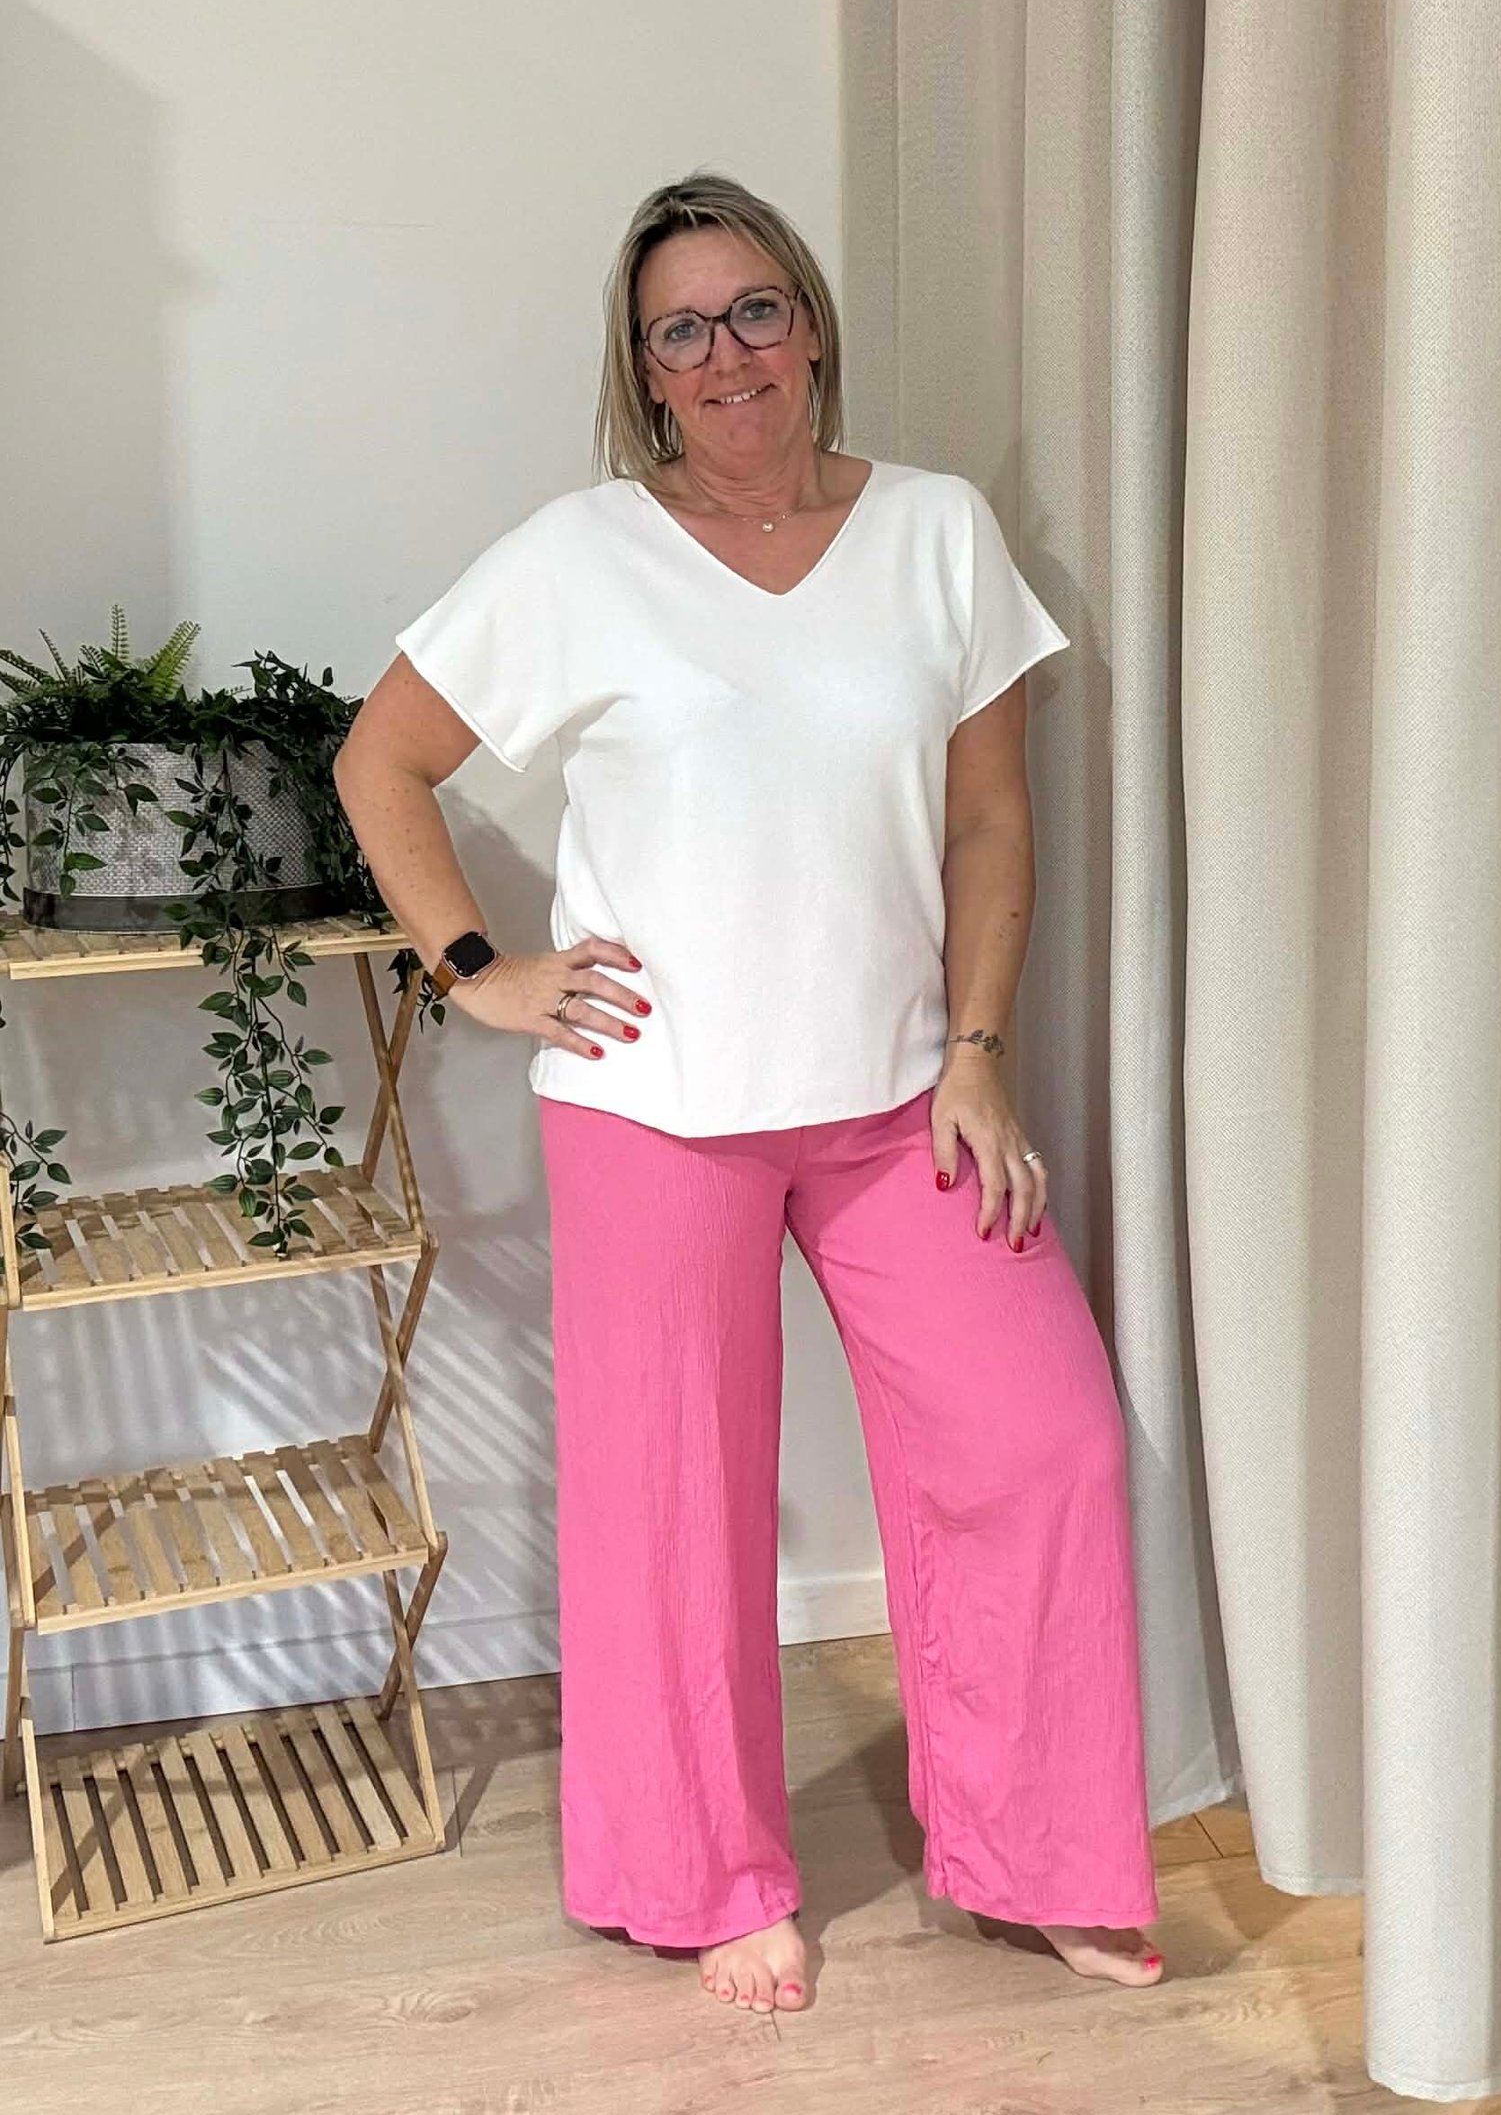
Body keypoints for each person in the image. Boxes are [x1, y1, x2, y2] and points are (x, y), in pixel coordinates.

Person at [334, 170, 1165, 2018]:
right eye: (682, 331)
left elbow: (988, 821)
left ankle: (1038, 1854)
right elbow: (381, 760)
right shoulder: (577, 557)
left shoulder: (937, 533)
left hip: (899, 1100)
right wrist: (480, 972)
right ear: (644, 370)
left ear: (810, 322)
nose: (728, 355)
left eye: (756, 310)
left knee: (1044, 1445)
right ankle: (707, 1874)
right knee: (674, 1506)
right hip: (654, 1105)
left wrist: (978, 1053)